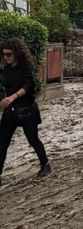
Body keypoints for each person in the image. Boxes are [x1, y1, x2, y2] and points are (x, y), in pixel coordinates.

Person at [0, 38, 51, 184]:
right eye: (4, 54)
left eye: (9, 54)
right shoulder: (7, 69)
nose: (6, 57)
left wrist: (13, 96)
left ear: (17, 53)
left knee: (33, 139)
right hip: (10, 111)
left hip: (27, 109)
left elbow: (28, 85)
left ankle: (45, 164)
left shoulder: (25, 68)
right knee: (2, 143)